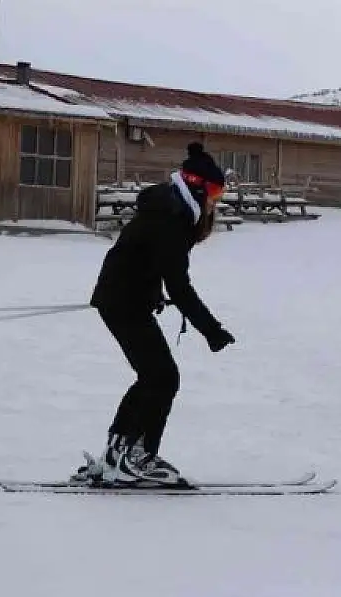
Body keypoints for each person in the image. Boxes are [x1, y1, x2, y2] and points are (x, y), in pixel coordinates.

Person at [74, 142, 236, 487]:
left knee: (154, 376)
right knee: (162, 377)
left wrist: (150, 292)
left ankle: (120, 451)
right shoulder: (170, 219)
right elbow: (180, 285)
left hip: (124, 298)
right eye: (215, 192)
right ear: (198, 187)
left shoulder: (168, 209)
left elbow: (143, 259)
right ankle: (137, 456)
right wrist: (211, 330)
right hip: (122, 301)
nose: (215, 201)